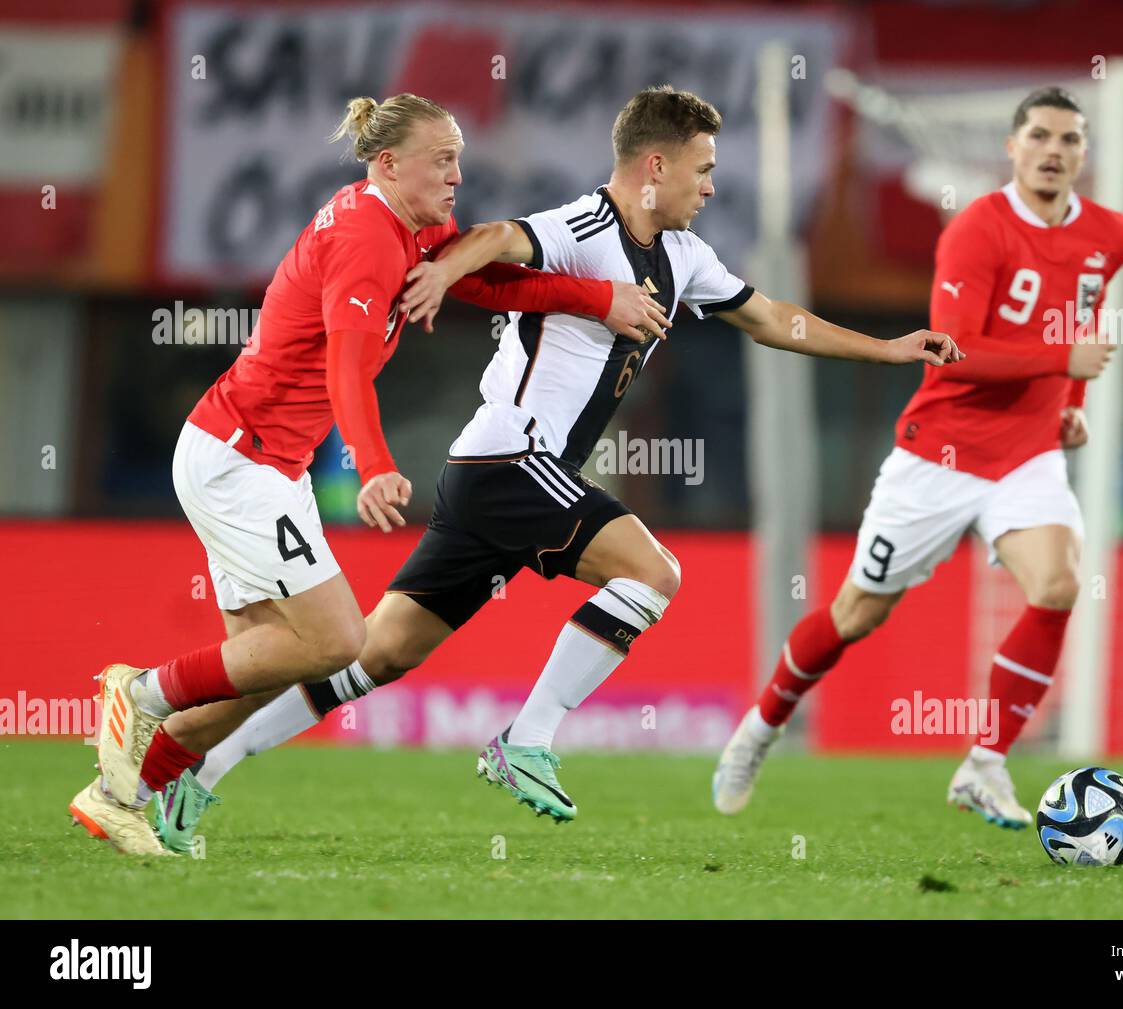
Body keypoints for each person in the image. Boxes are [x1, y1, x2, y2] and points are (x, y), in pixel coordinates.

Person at [147, 84, 959, 848]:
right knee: (653, 572)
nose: (710, 186)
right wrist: (446, 268)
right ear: (657, 167)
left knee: (376, 654)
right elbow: (502, 237)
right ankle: (524, 739)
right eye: (703, 169)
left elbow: (775, 318)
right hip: (513, 460)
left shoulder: (684, 257)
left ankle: (202, 767)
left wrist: (887, 349)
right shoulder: (585, 224)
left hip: (490, 474)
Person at [70, 92, 669, 855]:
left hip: (260, 460)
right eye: (442, 159)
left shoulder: (405, 225)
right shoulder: (364, 237)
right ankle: (138, 693)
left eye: (459, 157)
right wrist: (377, 466)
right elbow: (346, 369)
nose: (458, 175)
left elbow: (487, 284)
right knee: (337, 641)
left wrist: (598, 298)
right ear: (388, 164)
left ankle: (119, 792)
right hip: (241, 457)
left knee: (252, 673)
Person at [712, 86, 1123, 829]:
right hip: (940, 454)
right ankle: (761, 726)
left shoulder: (1110, 234)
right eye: (1039, 135)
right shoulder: (977, 230)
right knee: (854, 613)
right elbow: (955, 353)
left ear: (1084, 154)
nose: (1053, 151)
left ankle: (985, 764)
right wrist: (1060, 358)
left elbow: (1079, 315)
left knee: (1060, 584)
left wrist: (1069, 403)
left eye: (1070, 140)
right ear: (1013, 148)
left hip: (1028, 454)